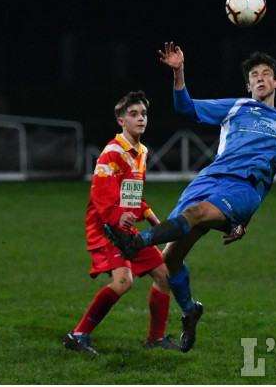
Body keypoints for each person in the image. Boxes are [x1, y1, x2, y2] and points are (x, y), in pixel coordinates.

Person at [105, 42, 276, 353]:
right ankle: (191, 310)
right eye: (254, 75)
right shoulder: (237, 107)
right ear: (248, 86)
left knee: (195, 214)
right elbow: (187, 107)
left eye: (266, 74)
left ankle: (136, 242)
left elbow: (268, 178)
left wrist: (245, 221)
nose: (260, 78)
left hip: (242, 189)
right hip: (208, 180)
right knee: (170, 260)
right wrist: (178, 71)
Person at [63, 90, 179, 355]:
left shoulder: (141, 151)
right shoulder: (112, 152)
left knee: (163, 275)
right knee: (123, 281)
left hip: (124, 227)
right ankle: (78, 334)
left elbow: (132, 194)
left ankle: (155, 339)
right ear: (121, 121)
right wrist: (117, 217)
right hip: (105, 227)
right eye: (133, 114)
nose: (141, 119)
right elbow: (100, 194)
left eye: (144, 114)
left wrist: (152, 218)